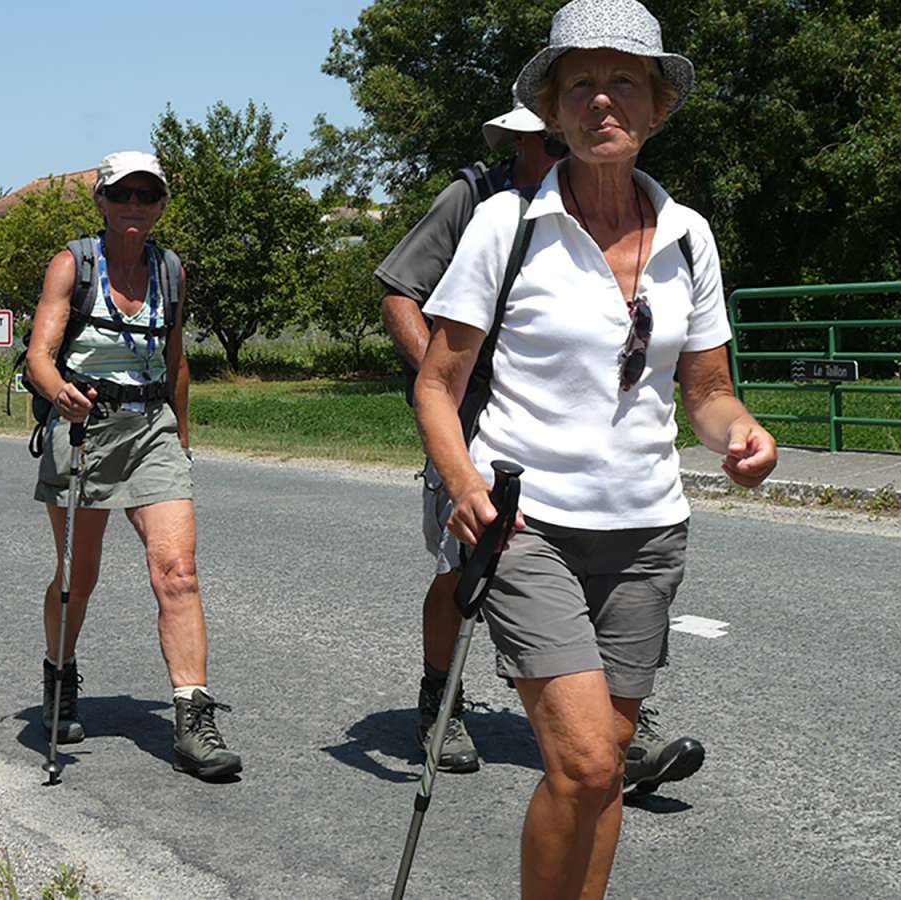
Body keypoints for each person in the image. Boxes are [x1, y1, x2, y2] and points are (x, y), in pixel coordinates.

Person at [414, 1, 778, 896]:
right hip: (527, 525)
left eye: (624, 81)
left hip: (647, 533)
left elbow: (708, 392)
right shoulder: (506, 226)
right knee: (581, 759)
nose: (602, 100)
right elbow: (436, 384)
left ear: (658, 105)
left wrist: (741, 435)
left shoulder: (689, 235)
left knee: (609, 762)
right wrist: (462, 481)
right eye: (580, 84)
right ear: (552, 108)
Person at [24, 151, 241, 780]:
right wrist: (58, 392)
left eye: (148, 196)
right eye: (122, 194)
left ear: (161, 205)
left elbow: (176, 360)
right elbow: (39, 355)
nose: (135, 206)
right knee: (79, 574)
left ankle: (192, 719)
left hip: (152, 430)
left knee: (178, 573)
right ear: (101, 200)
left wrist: (182, 441)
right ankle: (59, 675)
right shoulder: (72, 264)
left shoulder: (169, 270)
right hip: (83, 428)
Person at [378, 98, 565, 775]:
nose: (559, 157)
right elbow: (399, 292)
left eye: (562, 144)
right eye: (548, 144)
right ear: (518, 143)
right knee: (465, 566)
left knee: (581, 560)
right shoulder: (474, 197)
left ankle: (615, 720)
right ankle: (440, 699)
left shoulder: (594, 208)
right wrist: (441, 378)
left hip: (553, 420)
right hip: (472, 418)